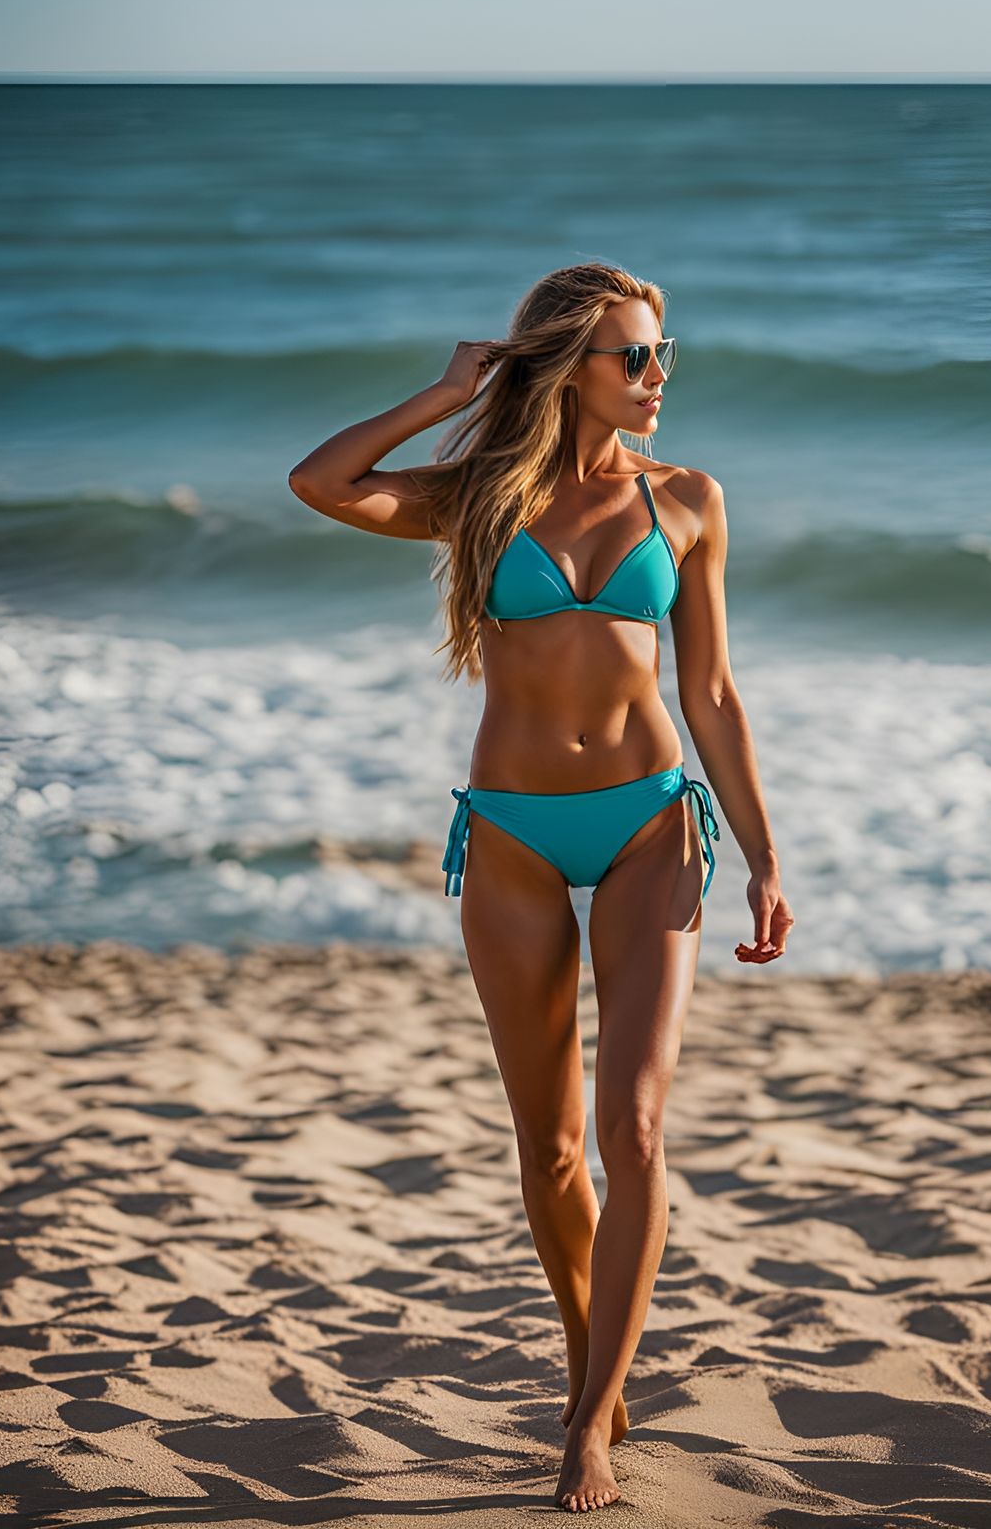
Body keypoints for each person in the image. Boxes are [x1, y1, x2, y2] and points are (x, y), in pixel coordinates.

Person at [288, 261, 794, 1511]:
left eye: (665, 352)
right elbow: (322, 484)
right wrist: (447, 389)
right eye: (634, 356)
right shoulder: (477, 500)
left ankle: (586, 1428)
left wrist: (767, 853)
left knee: (631, 1128)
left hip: (650, 827)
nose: (658, 376)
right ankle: (593, 1366)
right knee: (552, 1146)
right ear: (569, 365)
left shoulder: (687, 502)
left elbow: (713, 694)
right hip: (508, 833)